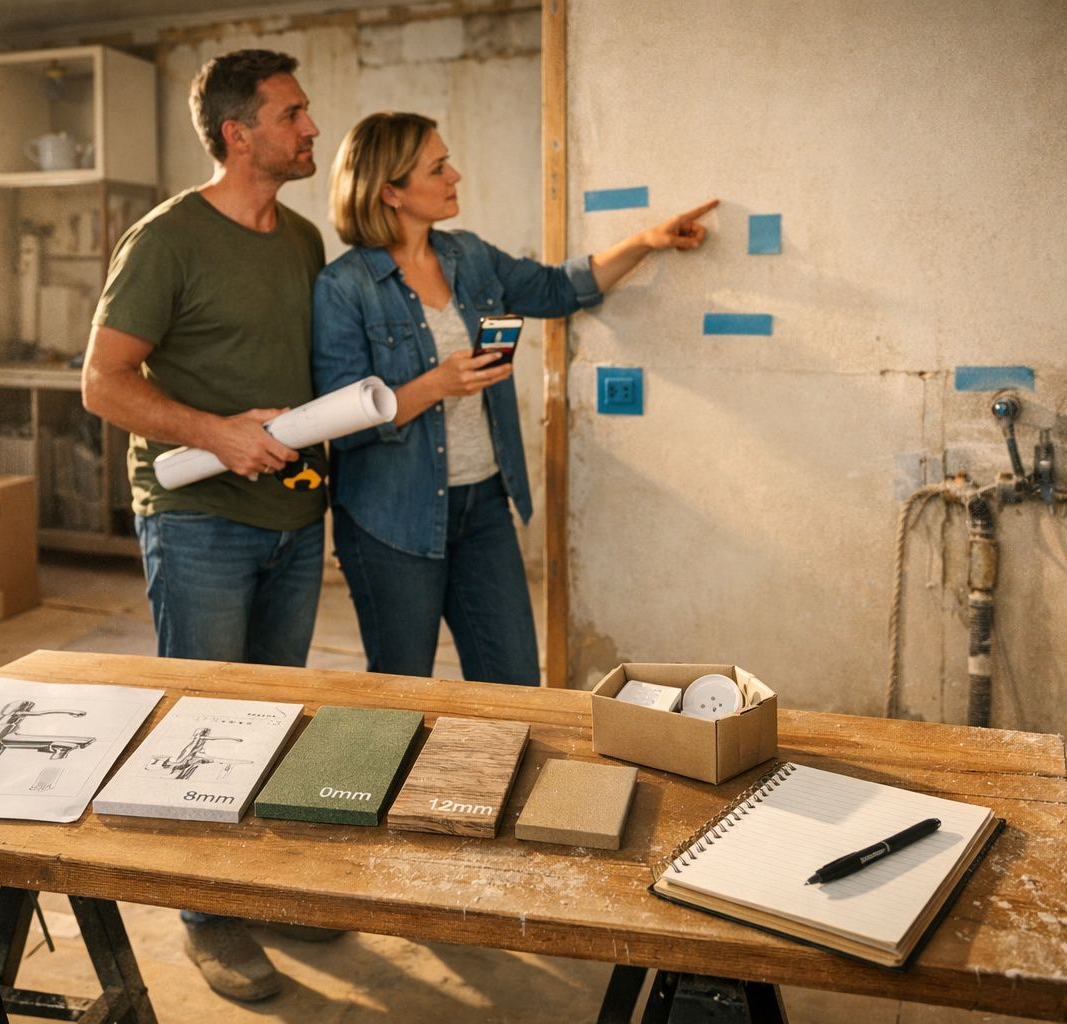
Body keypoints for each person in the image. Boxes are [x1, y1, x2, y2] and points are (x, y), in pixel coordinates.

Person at [81, 49, 339, 1003]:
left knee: (276, 716)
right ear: (240, 133)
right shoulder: (166, 239)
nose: (312, 129)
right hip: (198, 520)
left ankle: (259, 885)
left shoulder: (303, 239)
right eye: (294, 114)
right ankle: (207, 917)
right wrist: (214, 436)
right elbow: (102, 382)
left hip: (292, 518)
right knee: (208, 724)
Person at [313, 111, 717, 686]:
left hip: (483, 507)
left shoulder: (469, 256)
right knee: (398, 692)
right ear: (389, 192)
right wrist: (437, 385)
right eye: (437, 167)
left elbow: (556, 289)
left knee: (515, 684)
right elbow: (342, 422)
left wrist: (648, 242)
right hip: (390, 521)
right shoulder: (342, 288)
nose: (455, 175)